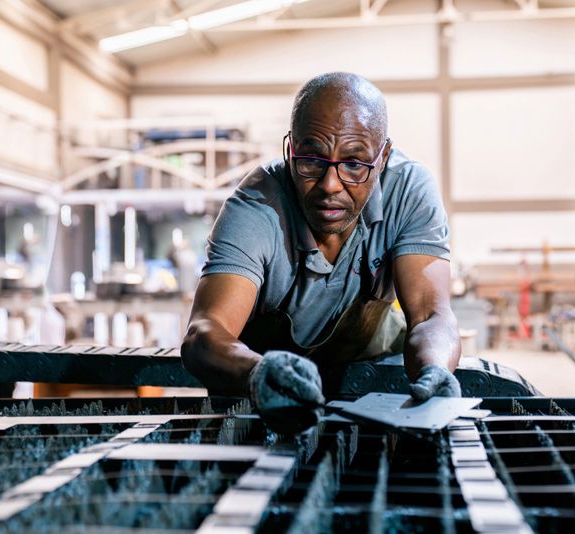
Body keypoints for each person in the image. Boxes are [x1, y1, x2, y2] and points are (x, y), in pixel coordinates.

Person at [182, 72, 461, 432]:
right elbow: (204, 332)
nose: (331, 185)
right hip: (270, 400)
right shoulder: (256, 207)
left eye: (354, 164)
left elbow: (430, 315)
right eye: (312, 160)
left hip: (373, 379)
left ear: (383, 156)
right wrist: (258, 374)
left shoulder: (407, 190)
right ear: (290, 149)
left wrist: (435, 370)